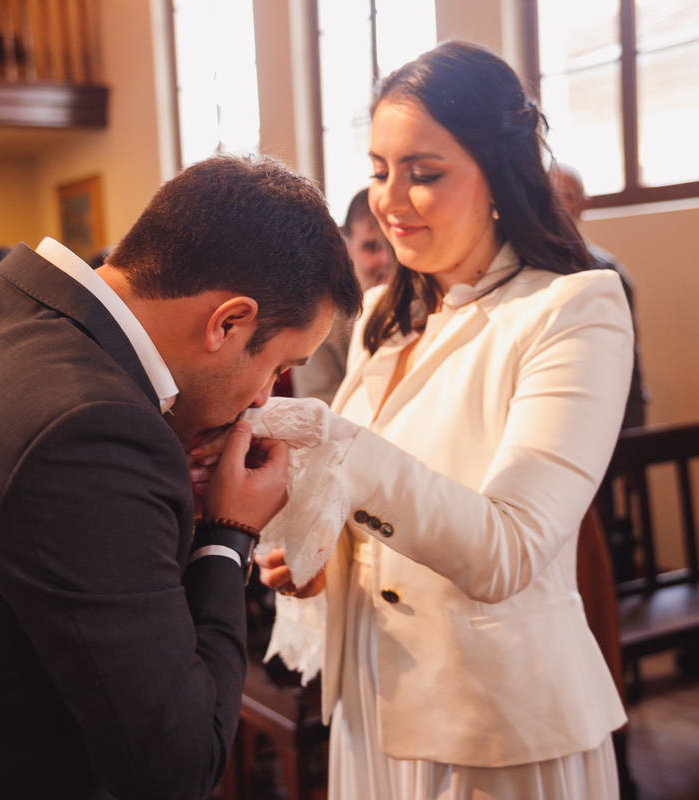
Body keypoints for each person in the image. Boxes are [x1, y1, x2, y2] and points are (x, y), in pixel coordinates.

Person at [0, 155, 362, 800]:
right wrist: (229, 533)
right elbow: (178, 764)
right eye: (278, 366)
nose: (263, 398)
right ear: (227, 322)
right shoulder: (94, 427)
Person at [254, 41, 632, 799]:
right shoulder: (381, 325)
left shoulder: (572, 311)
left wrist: (336, 445)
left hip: (492, 716)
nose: (391, 200)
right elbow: (376, 508)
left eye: (424, 174)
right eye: (378, 169)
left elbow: (509, 550)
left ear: (500, 174)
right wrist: (319, 551)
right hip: (369, 697)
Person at [550, 163, 647, 429]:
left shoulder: (606, 273)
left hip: (596, 417)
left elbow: (627, 361)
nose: (557, 205)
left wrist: (633, 429)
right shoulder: (518, 268)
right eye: (550, 195)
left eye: (566, 196)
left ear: (584, 204)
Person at [294, 188, 395, 404]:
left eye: (393, 245)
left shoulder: (428, 309)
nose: (386, 259)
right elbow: (320, 412)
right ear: (347, 250)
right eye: (372, 246)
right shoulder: (321, 321)